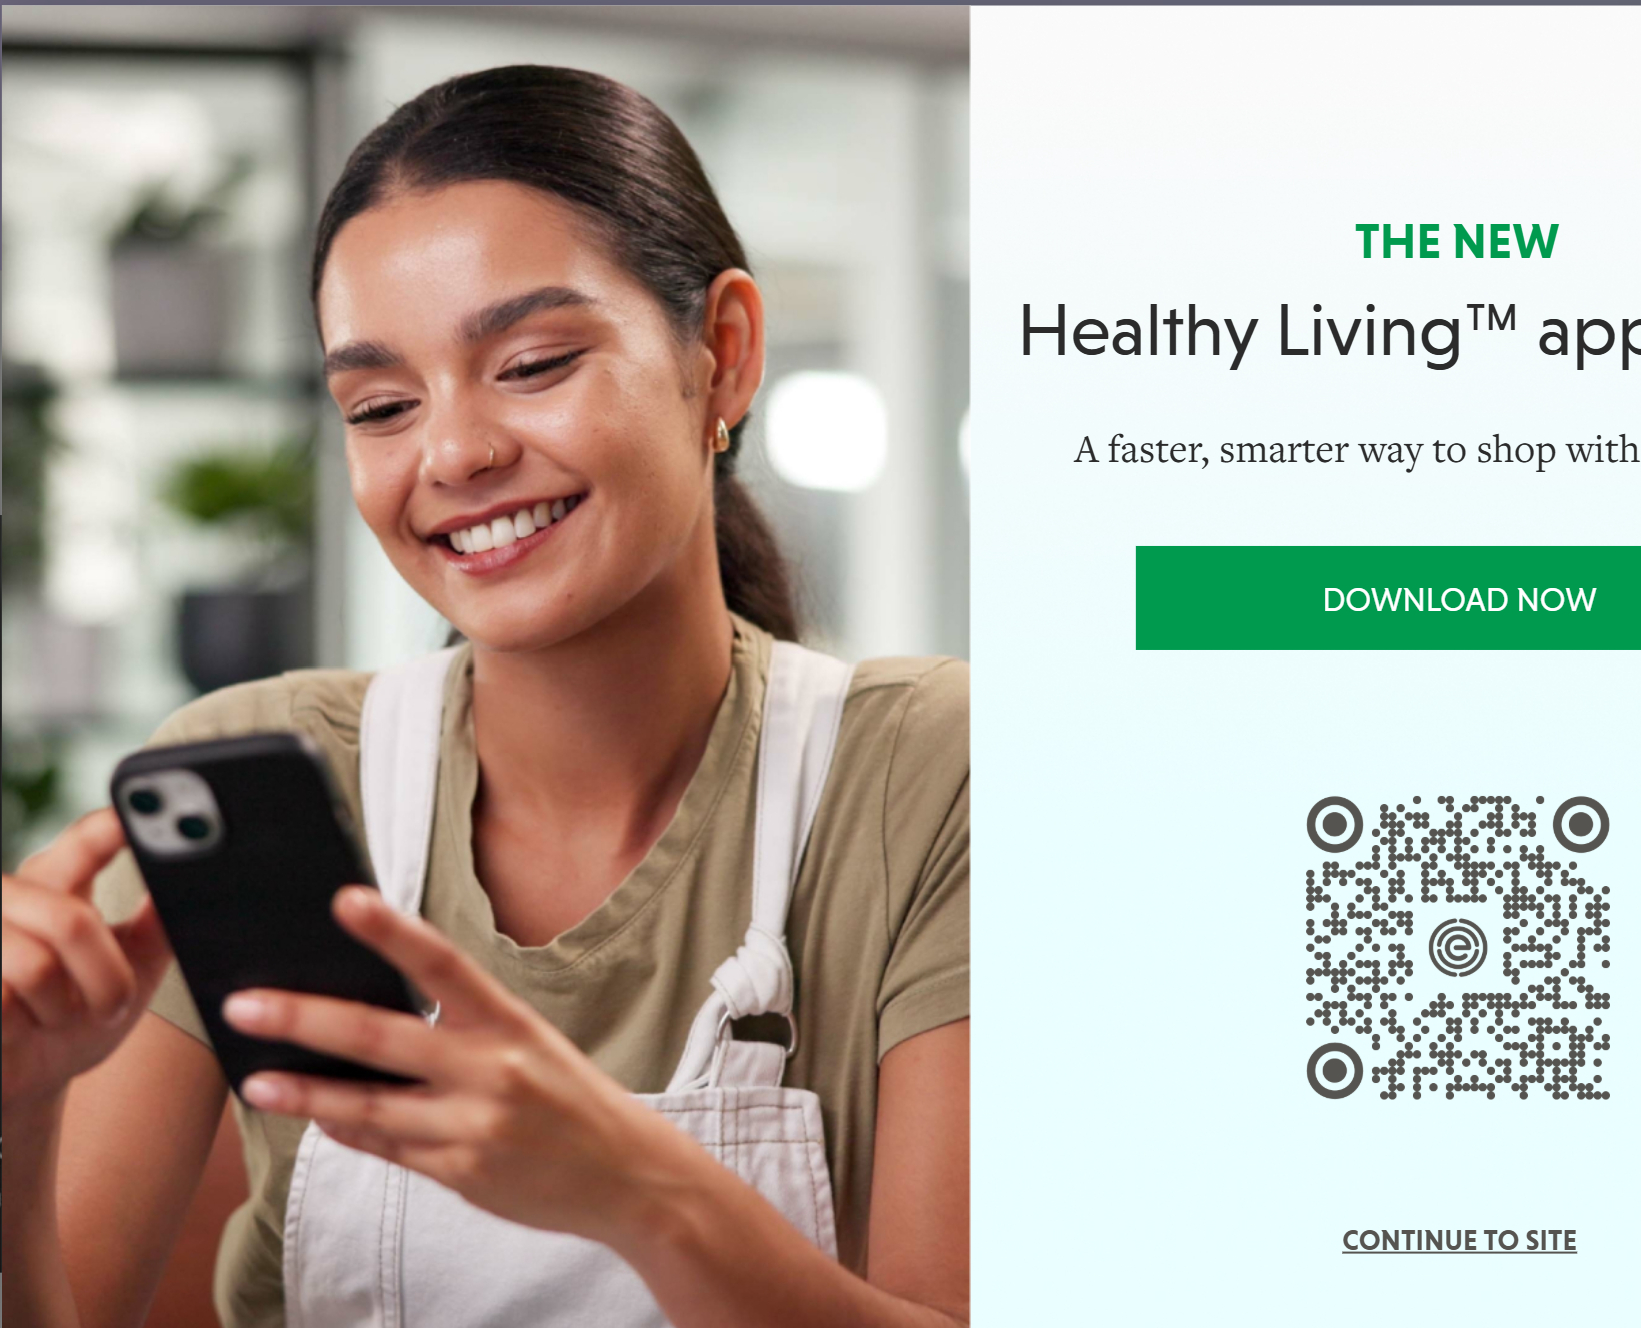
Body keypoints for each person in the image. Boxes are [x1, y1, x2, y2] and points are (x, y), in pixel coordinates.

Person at [1, 65, 967, 1328]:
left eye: (533, 361)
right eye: (383, 405)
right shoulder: (271, 768)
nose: (452, 454)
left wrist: (626, 1185)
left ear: (721, 355)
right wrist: (18, 1112)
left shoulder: (924, 772)